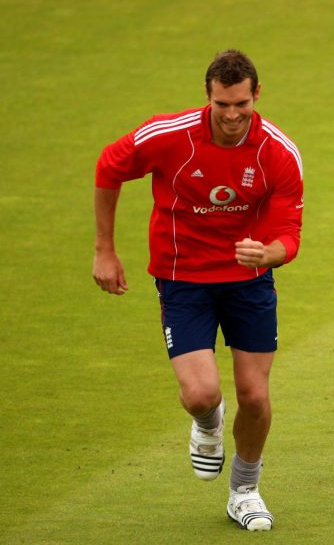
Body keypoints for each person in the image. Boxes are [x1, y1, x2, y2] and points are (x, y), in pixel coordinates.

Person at [92, 49, 303, 530]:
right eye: (222, 105)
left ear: (256, 96)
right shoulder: (167, 135)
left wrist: (270, 253)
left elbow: (290, 230)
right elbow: (109, 166)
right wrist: (105, 249)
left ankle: (245, 491)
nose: (232, 117)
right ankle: (207, 423)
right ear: (207, 96)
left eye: (241, 105)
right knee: (201, 394)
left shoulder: (278, 152)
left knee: (253, 395)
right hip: (182, 278)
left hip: (248, 284)